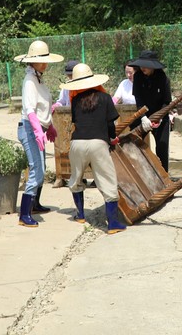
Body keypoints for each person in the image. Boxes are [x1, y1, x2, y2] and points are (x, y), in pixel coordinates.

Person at [61, 63, 126, 234]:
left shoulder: (75, 100)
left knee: (76, 179)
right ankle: (113, 223)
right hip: (98, 143)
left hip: (77, 144)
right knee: (107, 180)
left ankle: (80, 215)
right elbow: (110, 124)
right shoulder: (105, 98)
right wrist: (112, 138)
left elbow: (78, 122)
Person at [14, 40, 64, 227]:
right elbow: (30, 109)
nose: (44, 64)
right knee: (37, 169)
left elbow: (43, 107)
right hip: (29, 128)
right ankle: (24, 214)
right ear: (31, 62)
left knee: (40, 168)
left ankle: (35, 204)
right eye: (40, 61)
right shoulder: (30, 81)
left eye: (45, 61)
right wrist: (37, 130)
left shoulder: (39, 79)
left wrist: (49, 126)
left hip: (39, 127)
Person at [129, 50, 172, 173]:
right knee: (133, 142)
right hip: (143, 115)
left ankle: (164, 175)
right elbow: (138, 99)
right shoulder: (138, 77)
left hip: (160, 115)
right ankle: (137, 172)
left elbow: (166, 101)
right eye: (141, 65)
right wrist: (143, 117)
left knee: (162, 146)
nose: (143, 68)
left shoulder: (163, 78)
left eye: (146, 66)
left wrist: (160, 117)